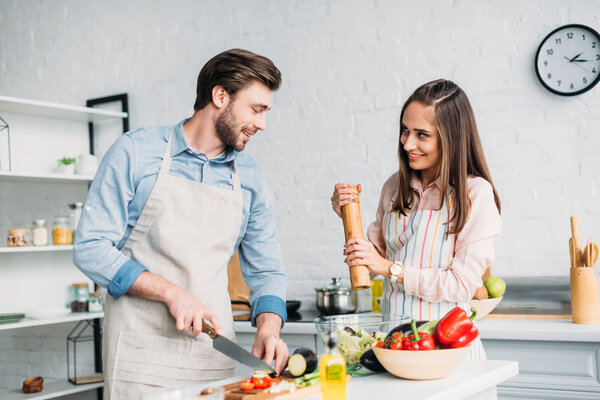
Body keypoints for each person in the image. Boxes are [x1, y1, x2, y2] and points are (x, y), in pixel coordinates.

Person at [74, 48, 289, 399]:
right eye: (256, 109)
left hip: (212, 355)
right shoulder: (135, 152)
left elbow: (266, 270)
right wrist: (171, 292)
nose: (262, 123)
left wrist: (269, 327)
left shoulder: (249, 177)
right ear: (220, 96)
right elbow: (90, 249)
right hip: (139, 358)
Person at [331, 79, 501, 359]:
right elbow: (371, 266)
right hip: (395, 347)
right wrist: (347, 218)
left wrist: (391, 269)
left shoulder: (476, 194)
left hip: (449, 352)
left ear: (452, 138)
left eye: (422, 135)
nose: (408, 143)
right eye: (405, 131)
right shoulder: (393, 188)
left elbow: (461, 284)